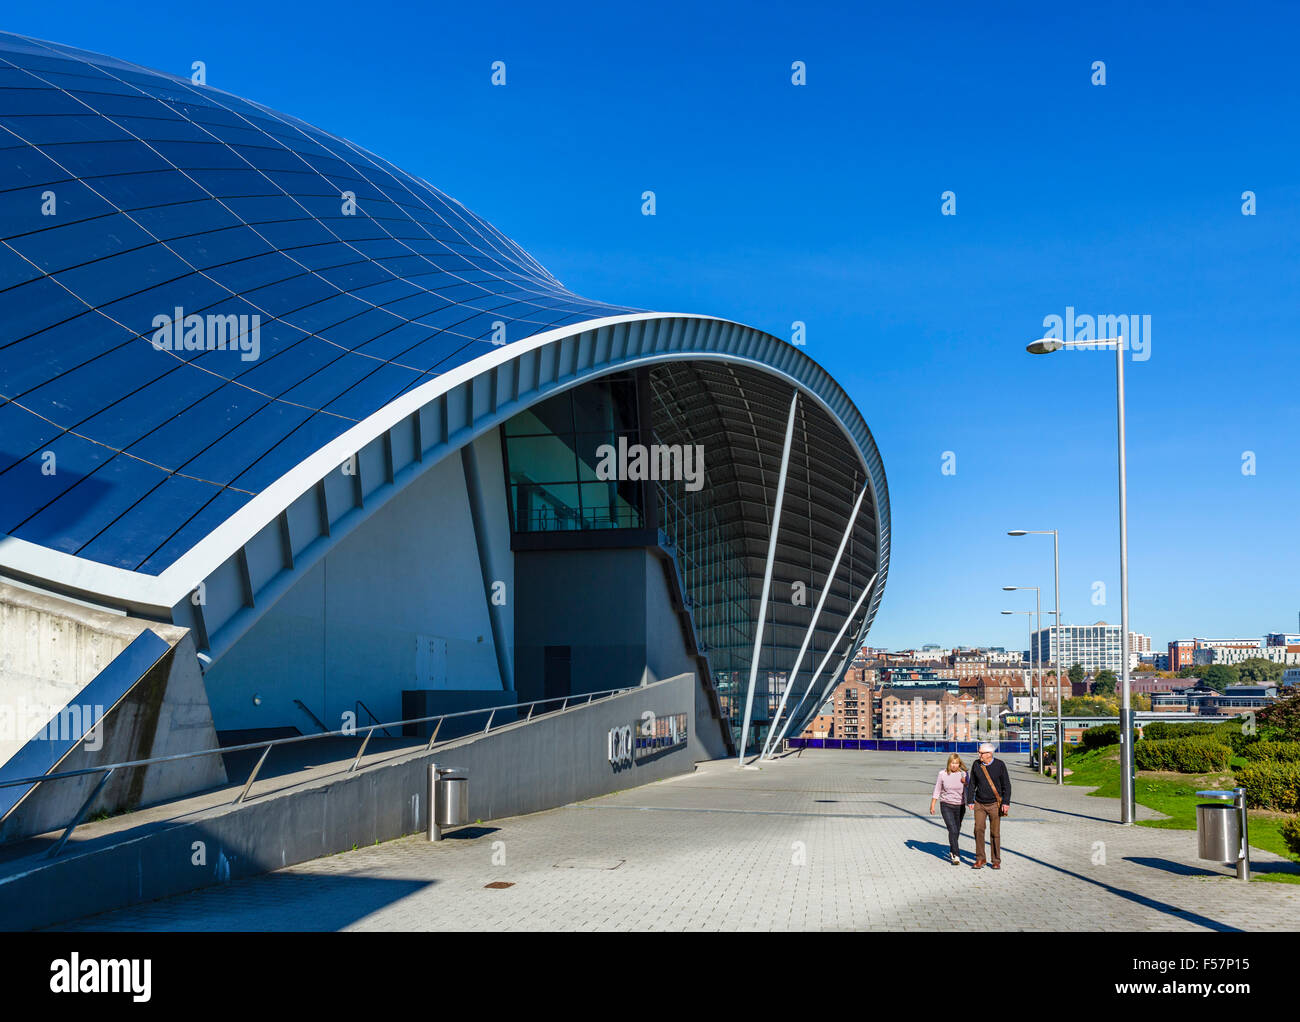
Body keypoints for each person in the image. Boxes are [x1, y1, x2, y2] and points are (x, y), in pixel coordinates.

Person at [964, 742, 1011, 869]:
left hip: (995, 804)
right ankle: (980, 859)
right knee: (978, 830)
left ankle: (996, 860)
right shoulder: (976, 764)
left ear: (989, 754)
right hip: (979, 803)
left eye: (981, 753)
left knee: (995, 833)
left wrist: (1006, 803)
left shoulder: (1000, 765)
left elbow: (1006, 785)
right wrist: (970, 800)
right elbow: (972, 783)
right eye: (979, 752)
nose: (979, 754)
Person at [929, 753, 968, 864]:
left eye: (956, 763)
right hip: (946, 805)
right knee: (952, 829)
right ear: (949, 763)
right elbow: (937, 789)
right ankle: (956, 855)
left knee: (956, 831)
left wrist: (966, 783)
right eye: (952, 763)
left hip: (960, 806)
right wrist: (932, 804)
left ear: (959, 764)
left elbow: (970, 788)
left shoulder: (963, 774)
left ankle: (952, 850)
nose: (954, 765)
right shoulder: (942, 774)